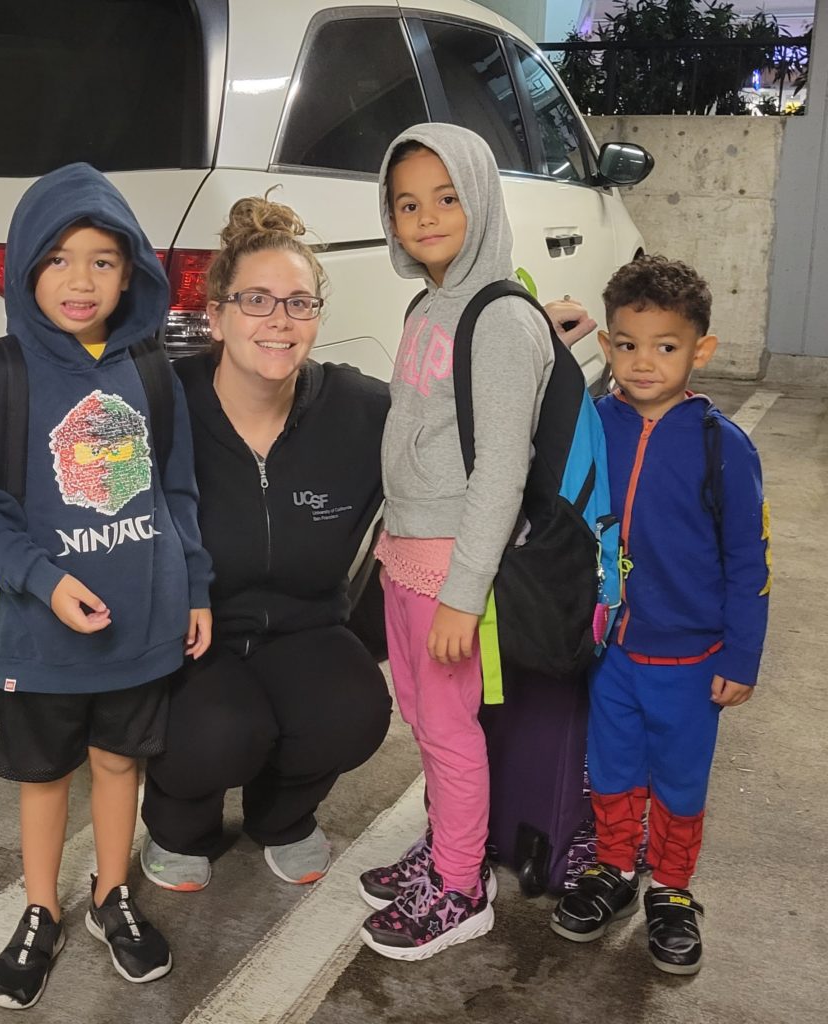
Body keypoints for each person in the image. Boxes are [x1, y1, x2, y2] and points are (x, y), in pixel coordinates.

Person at [0, 163, 213, 1010]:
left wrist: (193, 585)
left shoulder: (153, 374)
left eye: (102, 258)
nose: (80, 279)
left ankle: (111, 893)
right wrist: (43, 582)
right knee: (47, 773)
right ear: (23, 269)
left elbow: (178, 493)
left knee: (120, 761)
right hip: (41, 632)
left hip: (142, 625)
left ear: (132, 271)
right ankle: (40, 908)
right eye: (57, 259)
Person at [138, 195, 394, 890]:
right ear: (215, 316)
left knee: (357, 710)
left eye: (299, 303)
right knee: (220, 732)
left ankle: (282, 817)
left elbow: (461, 429)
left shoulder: (363, 411)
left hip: (305, 624)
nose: (279, 321)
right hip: (191, 636)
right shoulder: (158, 402)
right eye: (256, 300)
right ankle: (177, 824)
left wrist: (536, 344)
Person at [358, 123, 558, 961]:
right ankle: (448, 845)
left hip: (452, 567)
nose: (428, 216)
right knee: (423, 716)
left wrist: (462, 591)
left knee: (448, 727)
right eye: (408, 203)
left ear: (480, 199)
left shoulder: (503, 317)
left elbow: (502, 468)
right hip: (407, 550)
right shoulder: (425, 304)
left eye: (447, 197)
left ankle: (459, 884)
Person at [549, 256, 770, 975]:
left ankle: (672, 892)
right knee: (610, 768)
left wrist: (741, 656)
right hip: (611, 651)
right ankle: (613, 869)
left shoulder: (722, 445)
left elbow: (750, 560)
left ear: (699, 351)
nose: (644, 362)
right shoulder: (592, 425)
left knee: (678, 780)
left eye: (665, 346)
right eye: (627, 343)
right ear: (607, 345)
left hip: (692, 660)